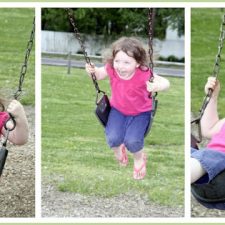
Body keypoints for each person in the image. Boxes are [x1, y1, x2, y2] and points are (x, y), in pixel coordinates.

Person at [86, 37, 170, 180]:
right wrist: (91, 71)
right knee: (113, 139)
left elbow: (166, 82)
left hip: (141, 113)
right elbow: (99, 75)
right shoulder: (111, 69)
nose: (120, 66)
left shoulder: (144, 73)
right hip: (117, 110)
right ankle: (119, 152)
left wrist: (157, 86)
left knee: (133, 141)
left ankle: (139, 159)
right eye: (117, 61)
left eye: (126, 62)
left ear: (137, 63)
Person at [191, 77, 225, 184]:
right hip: (207, 163)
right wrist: (212, 96)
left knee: (207, 156)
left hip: (220, 163)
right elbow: (208, 130)